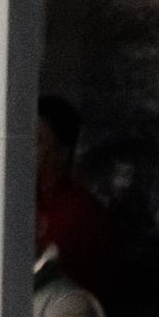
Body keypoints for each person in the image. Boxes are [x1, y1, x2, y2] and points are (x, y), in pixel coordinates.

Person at [35, 95, 115, 304]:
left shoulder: (81, 214)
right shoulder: (21, 203)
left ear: (60, 154)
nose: (22, 150)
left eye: (35, 141)